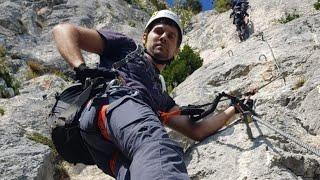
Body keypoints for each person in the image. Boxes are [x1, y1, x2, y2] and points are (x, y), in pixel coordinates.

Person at [52, 10, 241, 180]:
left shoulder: (162, 96)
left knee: (140, 170)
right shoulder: (126, 48)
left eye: (171, 36)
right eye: (158, 31)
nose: (164, 37)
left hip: (102, 146)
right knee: (157, 148)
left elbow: (197, 130)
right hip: (114, 105)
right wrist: (80, 67)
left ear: (176, 50)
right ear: (145, 37)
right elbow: (63, 30)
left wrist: (234, 109)